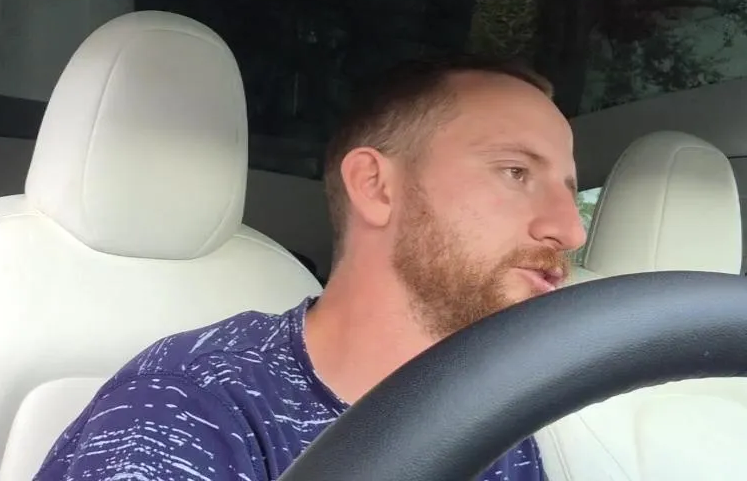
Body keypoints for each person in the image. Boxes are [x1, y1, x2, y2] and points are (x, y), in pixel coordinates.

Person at [32, 56, 588, 481]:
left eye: (570, 190)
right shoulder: (189, 407)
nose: (571, 231)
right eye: (515, 172)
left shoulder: (498, 421)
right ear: (375, 187)